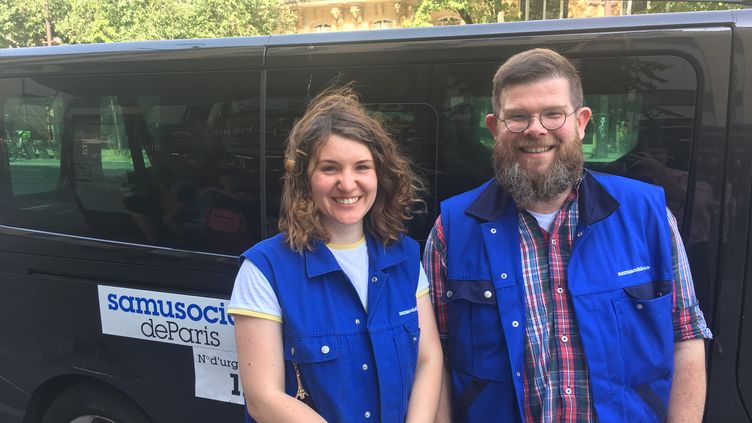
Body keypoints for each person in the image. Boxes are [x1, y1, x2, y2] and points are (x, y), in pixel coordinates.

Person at [423, 48, 712, 423]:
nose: (536, 129)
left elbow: (686, 336)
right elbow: (436, 360)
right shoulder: (453, 229)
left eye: (553, 114)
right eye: (518, 117)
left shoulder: (647, 215)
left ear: (581, 122)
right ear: (495, 128)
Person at [228, 87, 443, 422]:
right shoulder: (264, 270)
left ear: (380, 175)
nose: (347, 183)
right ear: (304, 179)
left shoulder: (403, 256)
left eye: (361, 167)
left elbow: (428, 359)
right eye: (329, 168)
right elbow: (263, 397)